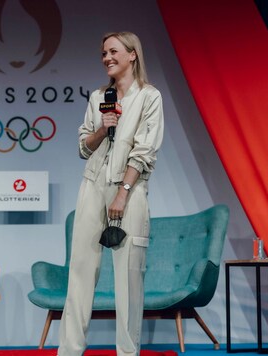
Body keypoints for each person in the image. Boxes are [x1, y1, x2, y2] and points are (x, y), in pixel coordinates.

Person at [57, 31, 164, 356]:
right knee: (80, 271)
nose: (107, 58)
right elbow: (82, 147)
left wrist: (123, 193)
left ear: (132, 54)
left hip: (128, 189)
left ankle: (127, 352)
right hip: (92, 184)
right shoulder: (97, 97)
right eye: (103, 53)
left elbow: (145, 151)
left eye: (113, 51)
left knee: (129, 278)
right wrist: (103, 127)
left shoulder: (149, 97)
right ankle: (69, 350)